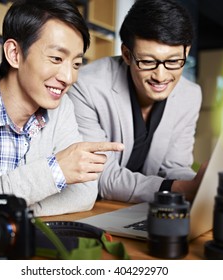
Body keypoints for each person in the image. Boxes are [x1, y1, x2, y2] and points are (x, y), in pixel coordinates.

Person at [0, 0, 124, 234]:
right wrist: (52, 173)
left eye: (76, 63)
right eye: (57, 59)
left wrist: (13, 212)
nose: (69, 77)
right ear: (15, 53)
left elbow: (84, 193)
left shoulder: (62, 107)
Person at [68, 0, 207, 204]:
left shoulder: (190, 94)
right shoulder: (86, 87)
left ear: (186, 52)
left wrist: (202, 184)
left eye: (173, 61)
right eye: (148, 62)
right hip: (96, 207)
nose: (161, 76)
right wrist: (179, 189)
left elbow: (174, 166)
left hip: (145, 208)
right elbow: (102, 176)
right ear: (126, 54)